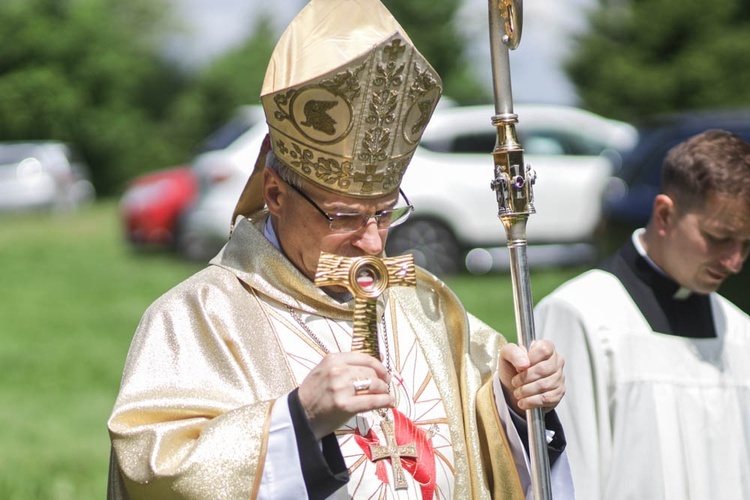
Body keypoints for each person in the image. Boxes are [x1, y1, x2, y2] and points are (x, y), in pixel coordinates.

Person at [107, 1, 574, 498]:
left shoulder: (427, 305)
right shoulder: (196, 316)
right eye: (344, 216)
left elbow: (479, 449)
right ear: (275, 195)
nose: (372, 241)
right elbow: (153, 468)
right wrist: (298, 417)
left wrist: (510, 399)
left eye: (385, 212)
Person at [535, 129, 750, 499]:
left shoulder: (739, 331)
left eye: (746, 243)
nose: (735, 262)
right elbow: (567, 481)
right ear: (665, 214)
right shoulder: (581, 316)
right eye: (718, 237)